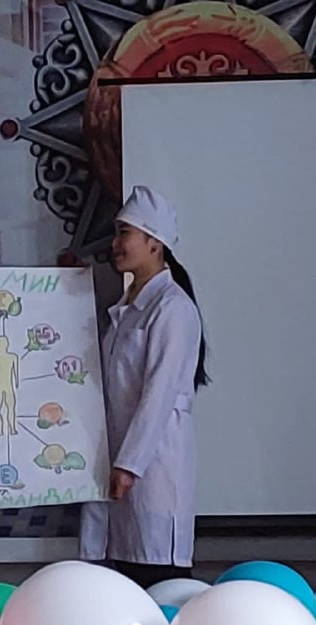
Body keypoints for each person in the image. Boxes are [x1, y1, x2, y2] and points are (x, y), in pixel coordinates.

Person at [79, 186, 209, 589]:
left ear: (155, 242)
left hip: (151, 471)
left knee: (157, 579)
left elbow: (159, 395)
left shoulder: (173, 309)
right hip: (116, 467)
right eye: (116, 233)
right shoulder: (127, 309)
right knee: (117, 579)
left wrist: (129, 465)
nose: (115, 244)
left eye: (125, 233)